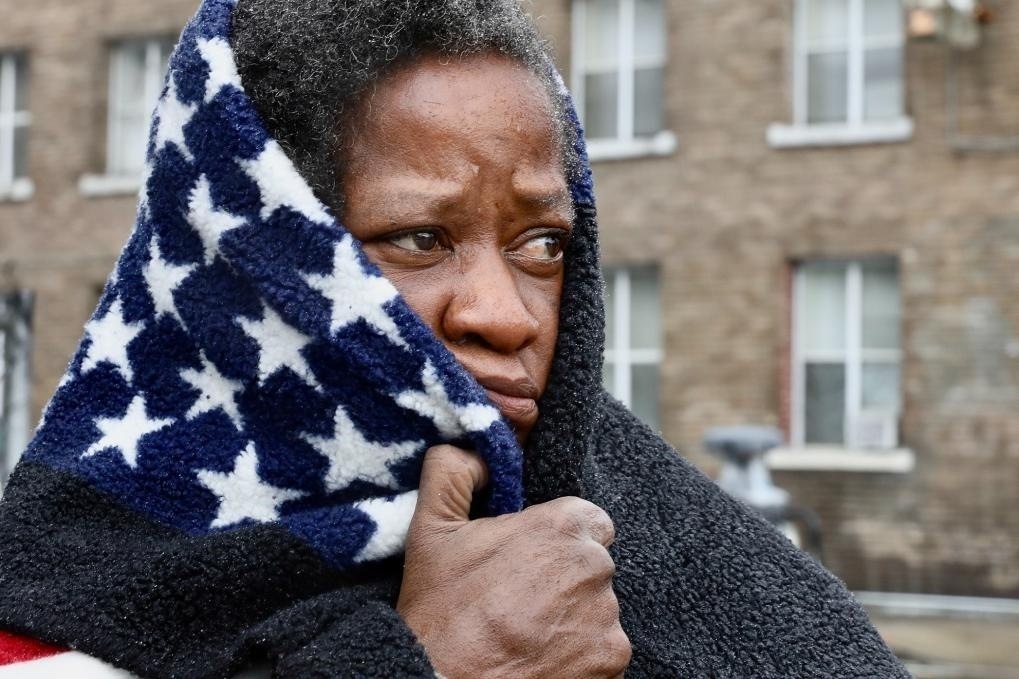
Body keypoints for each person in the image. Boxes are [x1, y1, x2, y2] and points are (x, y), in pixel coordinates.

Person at [0, 0, 909, 677]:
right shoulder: (56, 618)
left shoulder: (673, 552)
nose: (508, 315)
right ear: (253, 262)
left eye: (542, 244)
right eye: (420, 238)